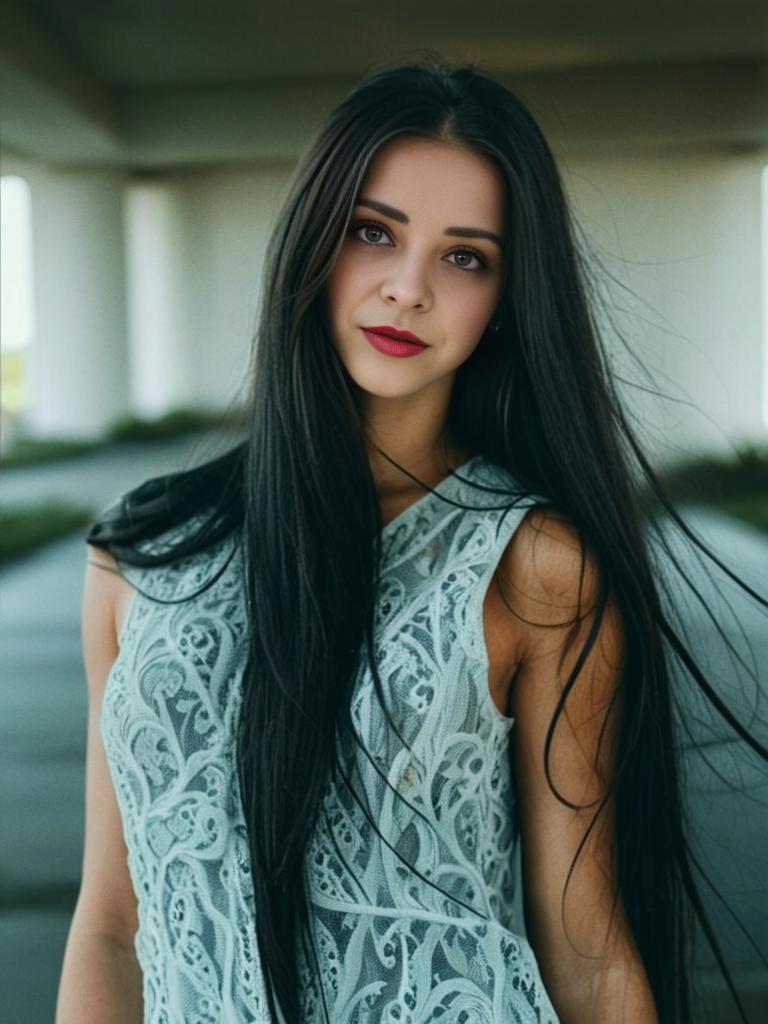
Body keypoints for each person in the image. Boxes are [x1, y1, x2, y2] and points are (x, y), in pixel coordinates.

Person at [57, 56, 767, 1024]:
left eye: (465, 255)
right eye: (372, 233)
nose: (408, 288)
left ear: (508, 297)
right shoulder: (144, 552)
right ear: (313, 237)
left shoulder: (536, 565)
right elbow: (112, 919)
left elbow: (589, 952)